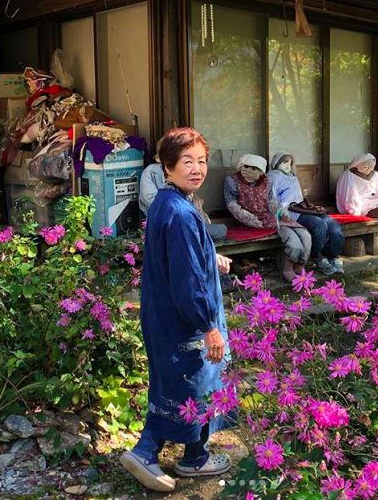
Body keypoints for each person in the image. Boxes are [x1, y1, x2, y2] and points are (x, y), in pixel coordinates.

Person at [121, 128, 234, 493]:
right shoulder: (181, 213)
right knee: (189, 387)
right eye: (187, 161)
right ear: (167, 167)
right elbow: (185, 280)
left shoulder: (168, 203)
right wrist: (208, 326)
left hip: (166, 315)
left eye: (201, 160)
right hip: (184, 321)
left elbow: (178, 255)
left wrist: (209, 255)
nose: (197, 168)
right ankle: (145, 451)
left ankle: (194, 457)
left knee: (196, 385)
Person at [224, 153, 311, 282]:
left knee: (305, 235)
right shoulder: (232, 181)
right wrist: (249, 218)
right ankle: (287, 268)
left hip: (273, 216)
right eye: (247, 167)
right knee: (293, 241)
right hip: (255, 219)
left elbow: (271, 201)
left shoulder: (266, 181)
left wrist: (280, 210)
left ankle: (299, 265)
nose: (250, 171)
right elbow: (232, 205)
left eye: (255, 169)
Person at [268, 152, 344, 275]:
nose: (288, 165)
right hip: (290, 211)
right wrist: (279, 210)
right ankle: (317, 257)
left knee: (333, 225)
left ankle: (334, 256)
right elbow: (271, 197)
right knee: (319, 225)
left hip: (303, 207)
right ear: (276, 163)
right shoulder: (273, 176)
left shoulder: (292, 175)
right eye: (284, 162)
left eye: (290, 162)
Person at [139, 138, 227, 241]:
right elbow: (150, 199)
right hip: (163, 222)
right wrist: (181, 207)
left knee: (221, 230)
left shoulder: (186, 174)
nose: (196, 170)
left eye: (201, 161)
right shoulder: (150, 172)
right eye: (188, 161)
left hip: (187, 220)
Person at [336, 153, 378, 219]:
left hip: (374, 199)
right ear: (356, 165)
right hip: (361, 203)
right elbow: (349, 195)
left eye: (371, 166)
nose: (369, 169)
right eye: (365, 167)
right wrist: (354, 210)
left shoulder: (375, 174)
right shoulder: (348, 175)